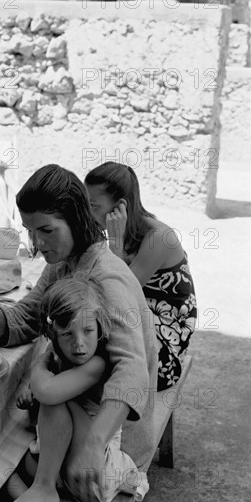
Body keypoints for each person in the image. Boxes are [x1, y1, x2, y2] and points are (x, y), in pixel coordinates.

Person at [0, 164, 158, 502]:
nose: (38, 244)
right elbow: (26, 317)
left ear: (76, 219)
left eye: (46, 230)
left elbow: (132, 371)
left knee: (3, 454)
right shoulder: (65, 263)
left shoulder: (107, 277)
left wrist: (93, 443)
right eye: (30, 231)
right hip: (79, 412)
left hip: (116, 441)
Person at [6, 274, 149, 502]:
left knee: (56, 402)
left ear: (100, 327)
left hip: (94, 470)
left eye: (87, 331)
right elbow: (44, 391)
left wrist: (40, 365)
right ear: (54, 335)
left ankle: (44, 489)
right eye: (67, 334)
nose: (79, 343)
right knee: (8, 469)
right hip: (65, 470)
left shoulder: (97, 364)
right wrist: (33, 391)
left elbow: (48, 392)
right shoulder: (64, 359)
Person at [84, 162, 197, 391]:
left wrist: (115, 246)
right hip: (136, 332)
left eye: (93, 206)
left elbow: (118, 296)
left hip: (162, 355)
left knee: (84, 350)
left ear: (120, 207)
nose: (88, 213)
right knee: (76, 338)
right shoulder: (127, 231)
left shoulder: (158, 238)